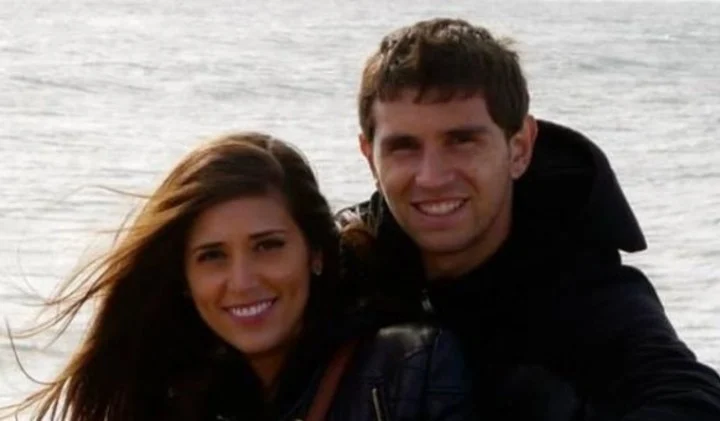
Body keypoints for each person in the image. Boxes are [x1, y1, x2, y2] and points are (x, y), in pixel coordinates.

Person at [338, 17, 720, 420]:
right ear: (370, 158)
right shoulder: (338, 269)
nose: (432, 177)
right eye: (404, 147)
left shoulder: (583, 293)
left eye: (462, 141)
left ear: (519, 148)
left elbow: (692, 401)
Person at [3, 132, 476, 421]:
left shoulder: (407, 368)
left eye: (268, 246)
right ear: (184, 277)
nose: (243, 280)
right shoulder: (175, 393)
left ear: (315, 252)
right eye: (212, 256)